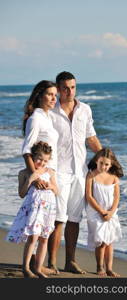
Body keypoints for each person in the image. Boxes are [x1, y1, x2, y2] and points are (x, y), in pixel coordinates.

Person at [48, 71, 102, 274]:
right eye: (65, 88)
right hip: (57, 172)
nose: (69, 91)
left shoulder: (85, 109)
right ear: (58, 88)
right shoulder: (50, 111)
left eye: (73, 87)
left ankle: (70, 261)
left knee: (74, 219)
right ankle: (51, 262)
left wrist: (108, 158)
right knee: (58, 219)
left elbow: (91, 138)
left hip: (80, 172)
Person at [21, 80, 59, 274]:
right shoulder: (36, 117)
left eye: (55, 95)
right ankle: (27, 267)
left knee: (45, 230)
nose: (54, 98)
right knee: (35, 231)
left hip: (49, 179)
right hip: (40, 182)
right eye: (50, 94)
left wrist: (52, 180)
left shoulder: (48, 116)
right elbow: (27, 150)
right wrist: (35, 178)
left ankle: (37, 267)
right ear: (40, 96)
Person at [6, 141, 58, 278]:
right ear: (33, 157)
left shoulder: (50, 172)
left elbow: (57, 190)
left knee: (44, 238)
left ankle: (38, 268)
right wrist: (30, 180)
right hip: (34, 210)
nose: (42, 163)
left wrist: (50, 186)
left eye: (45, 160)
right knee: (33, 237)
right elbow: (21, 193)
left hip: (48, 210)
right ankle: (26, 267)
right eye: (39, 159)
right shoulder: (23, 173)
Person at [85, 148, 123, 277]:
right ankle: (99, 267)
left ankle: (109, 268)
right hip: (96, 212)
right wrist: (101, 211)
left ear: (111, 164)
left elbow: (117, 197)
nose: (104, 166)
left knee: (109, 241)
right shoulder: (91, 175)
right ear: (96, 161)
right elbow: (89, 196)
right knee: (101, 241)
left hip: (110, 213)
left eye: (107, 164)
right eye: (101, 163)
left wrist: (111, 212)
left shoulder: (114, 177)